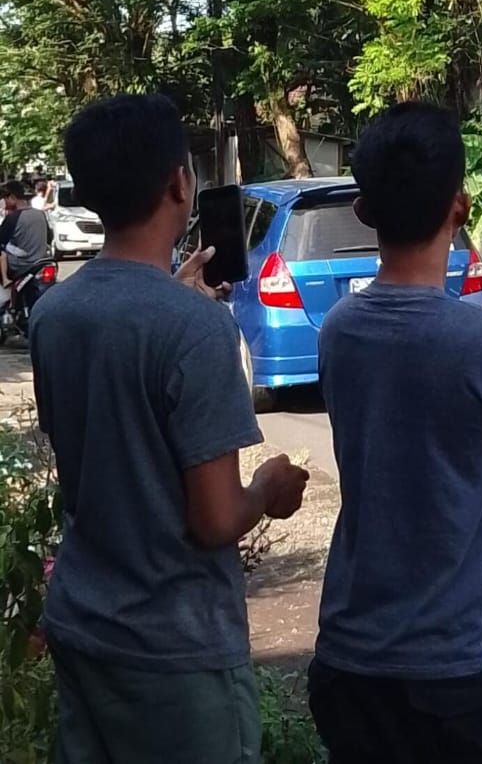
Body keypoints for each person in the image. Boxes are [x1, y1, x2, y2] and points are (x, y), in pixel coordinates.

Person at [30, 93, 309, 764]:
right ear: (180, 184)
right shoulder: (196, 327)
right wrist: (269, 487)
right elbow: (213, 520)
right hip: (173, 649)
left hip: (83, 620)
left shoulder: (54, 313)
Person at [310, 103, 482, 764]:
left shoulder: (339, 332)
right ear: (460, 209)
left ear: (365, 212)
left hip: (350, 664)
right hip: (458, 673)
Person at [0, 179, 52, 291]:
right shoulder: (40, 214)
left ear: (12, 197)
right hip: (41, 262)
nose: (4, 201)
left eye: (5, 198)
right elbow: (49, 237)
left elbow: (1, 242)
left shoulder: (12, 218)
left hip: (20, 265)